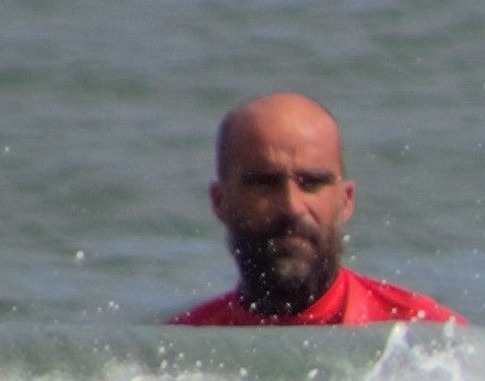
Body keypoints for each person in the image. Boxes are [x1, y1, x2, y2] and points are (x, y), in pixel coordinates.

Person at [171, 94, 463, 329]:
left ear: (346, 200)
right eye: (264, 184)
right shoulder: (182, 352)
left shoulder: (425, 338)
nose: (291, 206)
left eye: (311, 183)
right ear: (220, 201)